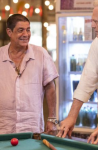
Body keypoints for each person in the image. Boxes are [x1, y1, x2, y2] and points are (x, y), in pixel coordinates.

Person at [0, 14, 59, 136]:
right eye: (21, 30)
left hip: (31, 127)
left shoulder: (41, 54)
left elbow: (50, 87)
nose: (26, 34)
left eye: (28, 29)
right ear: (9, 32)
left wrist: (52, 118)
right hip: (1, 127)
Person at [56, 0, 98, 145]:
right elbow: (86, 82)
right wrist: (71, 117)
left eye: (96, 22)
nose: (92, 25)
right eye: (92, 21)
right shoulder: (96, 44)